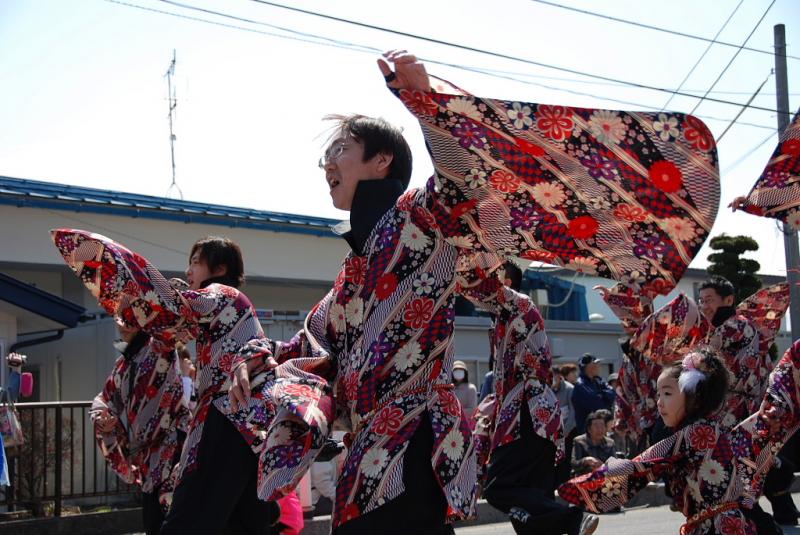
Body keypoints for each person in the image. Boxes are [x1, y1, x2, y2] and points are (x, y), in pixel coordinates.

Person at [229, 48, 720, 533]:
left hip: (415, 436)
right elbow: (311, 344)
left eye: (340, 150)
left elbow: (463, 176)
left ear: (382, 161)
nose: (327, 164)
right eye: (326, 155)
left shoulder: (420, 217)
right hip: (369, 453)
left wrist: (426, 105)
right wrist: (255, 359)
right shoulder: (350, 273)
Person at [52, 230, 289, 535]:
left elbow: (167, 310)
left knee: (187, 521)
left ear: (219, 270)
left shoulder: (221, 295)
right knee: (240, 522)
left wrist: (123, 271)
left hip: (224, 415)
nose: (188, 270)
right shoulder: (229, 307)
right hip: (246, 420)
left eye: (195, 262)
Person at [560, 346, 800, 535]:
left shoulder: (692, 436)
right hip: (740, 524)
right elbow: (776, 408)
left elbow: (639, 468)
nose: (659, 402)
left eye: (667, 393)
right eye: (657, 394)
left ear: (694, 396)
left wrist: (575, 490)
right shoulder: (717, 434)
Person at [462, 260, 597, 535]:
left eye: (491, 275)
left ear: (505, 282)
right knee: (531, 507)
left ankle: (571, 519)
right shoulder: (503, 316)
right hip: (532, 415)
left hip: (527, 412)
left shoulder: (519, 303)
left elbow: (479, 286)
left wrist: (457, 265)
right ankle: (567, 522)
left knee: (500, 488)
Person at [90, 320, 190, 535]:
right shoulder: (123, 364)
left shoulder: (160, 345)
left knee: (174, 519)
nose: (122, 325)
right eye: (119, 319)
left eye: (129, 319)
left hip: (176, 448)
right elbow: (104, 399)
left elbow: (170, 322)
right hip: (147, 456)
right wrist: (103, 418)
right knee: (154, 522)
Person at [571, 355, 615, 434]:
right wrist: (604, 397)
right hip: (587, 432)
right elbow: (597, 405)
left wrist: (600, 393)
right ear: (589, 367)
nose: (599, 366)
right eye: (596, 364)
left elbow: (612, 394)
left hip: (601, 430)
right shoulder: (580, 385)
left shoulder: (598, 381)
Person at [552, 365, 576, 485]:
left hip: (567, 431)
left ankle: (564, 484)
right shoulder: (545, 388)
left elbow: (573, 412)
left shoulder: (569, 389)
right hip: (551, 433)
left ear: (559, 376)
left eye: (554, 376)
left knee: (565, 460)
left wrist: (565, 431)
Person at [570, 412, 615, 476]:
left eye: (602, 426)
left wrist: (603, 466)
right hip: (584, 478)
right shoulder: (579, 441)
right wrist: (585, 461)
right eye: (596, 426)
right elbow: (574, 464)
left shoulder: (610, 443)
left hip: (604, 477)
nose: (599, 429)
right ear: (589, 429)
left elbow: (615, 465)